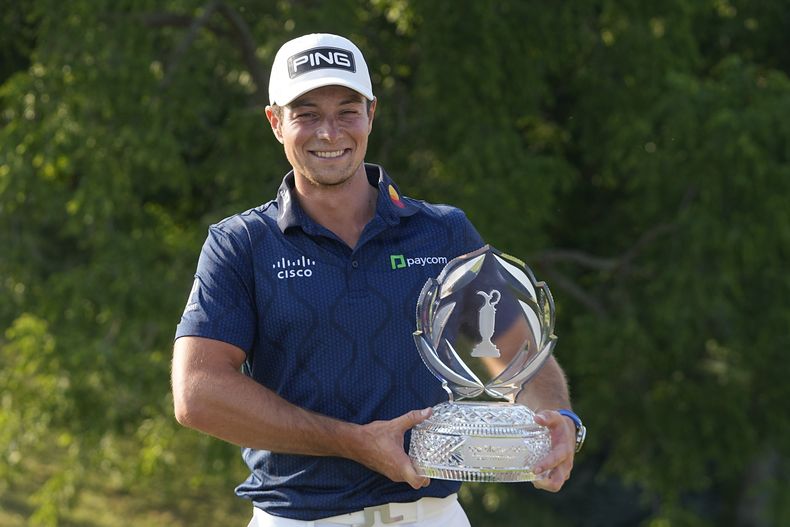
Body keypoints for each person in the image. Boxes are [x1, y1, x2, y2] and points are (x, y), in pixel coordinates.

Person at [171, 33, 585, 527]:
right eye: (306, 114)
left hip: (434, 517)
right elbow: (198, 394)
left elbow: (516, 355)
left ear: (371, 114)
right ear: (275, 122)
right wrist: (355, 442)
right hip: (300, 519)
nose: (330, 133)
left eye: (347, 111)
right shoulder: (241, 244)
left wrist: (559, 420)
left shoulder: (442, 232)